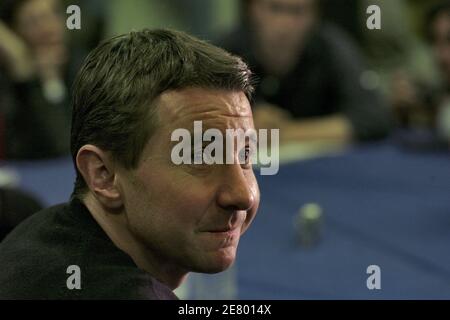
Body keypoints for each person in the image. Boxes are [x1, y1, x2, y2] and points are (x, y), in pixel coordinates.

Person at [0, 29, 260, 299]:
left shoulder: (39, 232)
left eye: (245, 155)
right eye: (200, 157)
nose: (243, 195)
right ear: (103, 175)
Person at [219, 0, 392, 143]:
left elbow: (375, 117)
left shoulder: (331, 47)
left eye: (297, 12)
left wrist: (284, 133)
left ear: (315, 16)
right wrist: (244, 123)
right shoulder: (226, 53)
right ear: (252, 10)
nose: (285, 24)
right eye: (275, 8)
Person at [0, 0, 86, 159]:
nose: (48, 27)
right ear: (16, 33)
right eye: (33, 22)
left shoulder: (84, 65)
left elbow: (72, 145)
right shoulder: (10, 83)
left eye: (54, 14)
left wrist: (51, 82)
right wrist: (29, 77)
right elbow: (55, 145)